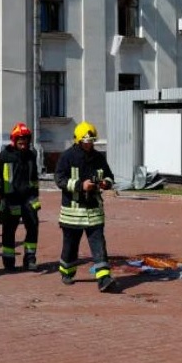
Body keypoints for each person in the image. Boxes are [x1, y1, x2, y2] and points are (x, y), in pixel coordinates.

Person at [55, 121, 118, 292]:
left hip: (94, 211)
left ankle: (104, 279)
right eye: (86, 142)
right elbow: (59, 179)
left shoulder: (98, 158)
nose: (89, 144)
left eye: (91, 141)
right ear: (78, 140)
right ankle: (66, 272)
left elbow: (110, 176)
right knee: (70, 245)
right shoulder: (67, 157)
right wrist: (79, 186)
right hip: (72, 213)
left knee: (99, 245)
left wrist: (106, 183)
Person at [0, 122, 42, 271]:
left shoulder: (31, 155)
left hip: (28, 198)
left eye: (26, 140)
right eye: (20, 141)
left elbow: (34, 178)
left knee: (33, 227)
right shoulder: (5, 155)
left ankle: (30, 259)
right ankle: (9, 261)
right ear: (15, 140)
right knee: (9, 230)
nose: (23, 144)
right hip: (11, 199)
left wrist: (35, 196)